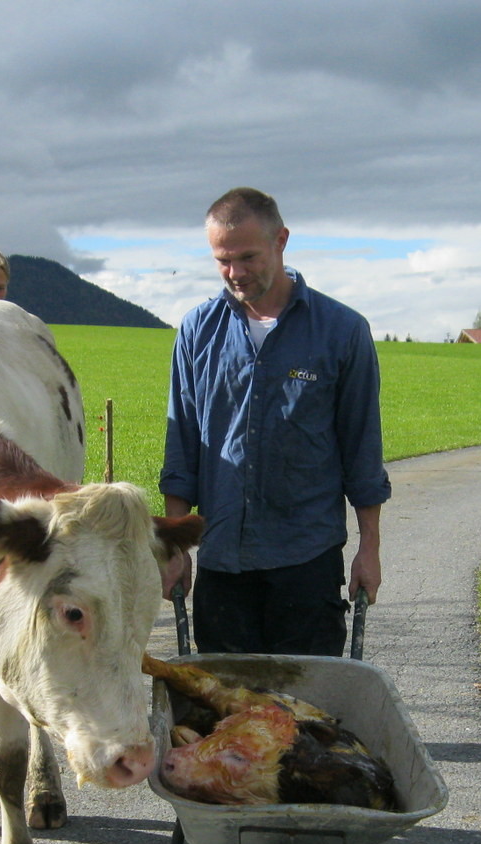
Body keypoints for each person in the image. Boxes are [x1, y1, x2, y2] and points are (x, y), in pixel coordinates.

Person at [161, 187, 390, 655]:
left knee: (306, 712)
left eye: (248, 257)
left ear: (281, 240)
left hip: (306, 560)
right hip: (222, 560)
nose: (235, 273)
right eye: (222, 260)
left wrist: (370, 549)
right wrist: (174, 547)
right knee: (224, 715)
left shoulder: (342, 331)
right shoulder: (196, 331)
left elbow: (361, 450)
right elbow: (182, 446)